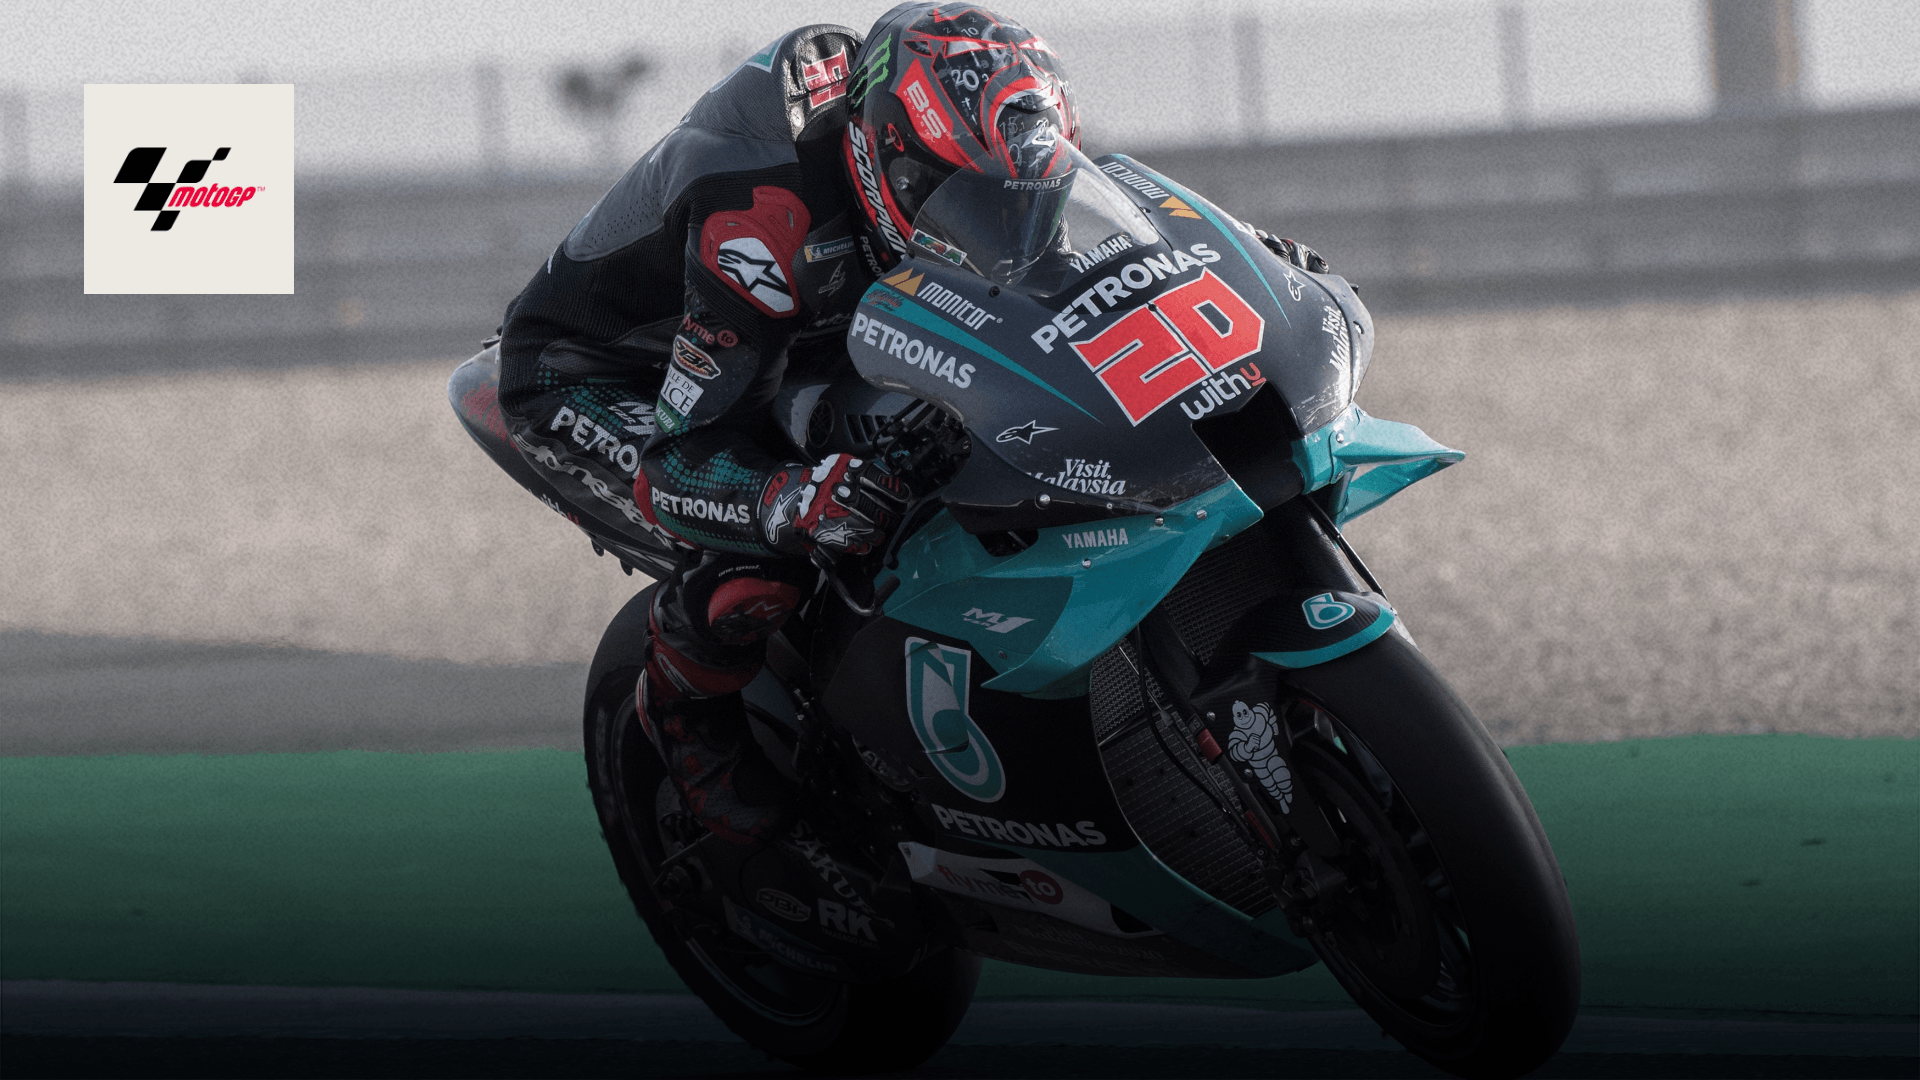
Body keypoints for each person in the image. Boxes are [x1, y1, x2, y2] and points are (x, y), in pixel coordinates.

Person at [495, 3, 1330, 847]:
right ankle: (686, 720)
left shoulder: (976, 140)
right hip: (611, 373)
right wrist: (788, 499)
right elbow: (681, 457)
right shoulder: (763, 216)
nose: (993, 212)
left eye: (1011, 189)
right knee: (766, 548)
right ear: (874, 151)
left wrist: (1254, 267)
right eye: (947, 194)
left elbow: (1096, 244)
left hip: (804, 332)